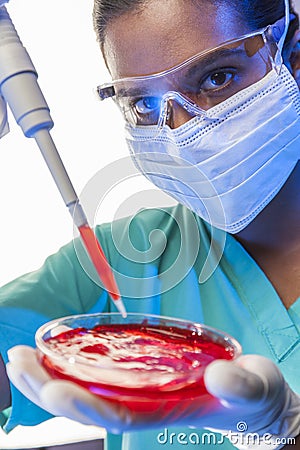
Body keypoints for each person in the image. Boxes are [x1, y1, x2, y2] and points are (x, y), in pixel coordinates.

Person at [0, 0, 300, 449]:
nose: (179, 129)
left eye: (217, 77)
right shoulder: (124, 257)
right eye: (144, 102)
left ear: (292, 57)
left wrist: (290, 430)